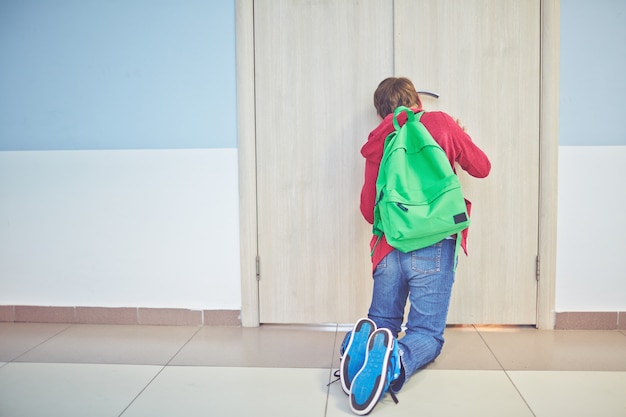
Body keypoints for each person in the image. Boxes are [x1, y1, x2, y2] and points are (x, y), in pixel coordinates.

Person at [339, 77, 491, 415]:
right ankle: (394, 362)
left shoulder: (379, 139)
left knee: (383, 323)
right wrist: (458, 135)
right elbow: (482, 168)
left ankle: (363, 346)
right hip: (435, 241)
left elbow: (368, 211)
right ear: (416, 100)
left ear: (381, 112)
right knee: (426, 334)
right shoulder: (441, 122)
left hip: (390, 247)